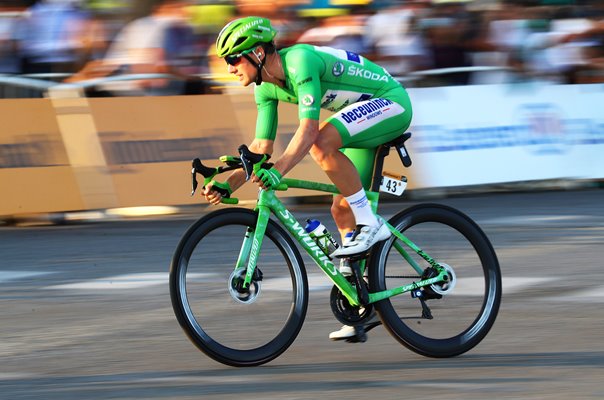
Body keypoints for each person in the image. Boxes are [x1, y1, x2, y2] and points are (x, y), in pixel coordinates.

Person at [204, 16, 413, 341]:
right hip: (362, 116)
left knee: (320, 144)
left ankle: (371, 224)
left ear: (258, 53)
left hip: (390, 101)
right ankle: (359, 305)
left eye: (233, 59)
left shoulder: (299, 62)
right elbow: (261, 148)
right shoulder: (265, 89)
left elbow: (309, 130)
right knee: (341, 210)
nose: (229, 68)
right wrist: (226, 183)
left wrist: (279, 171)